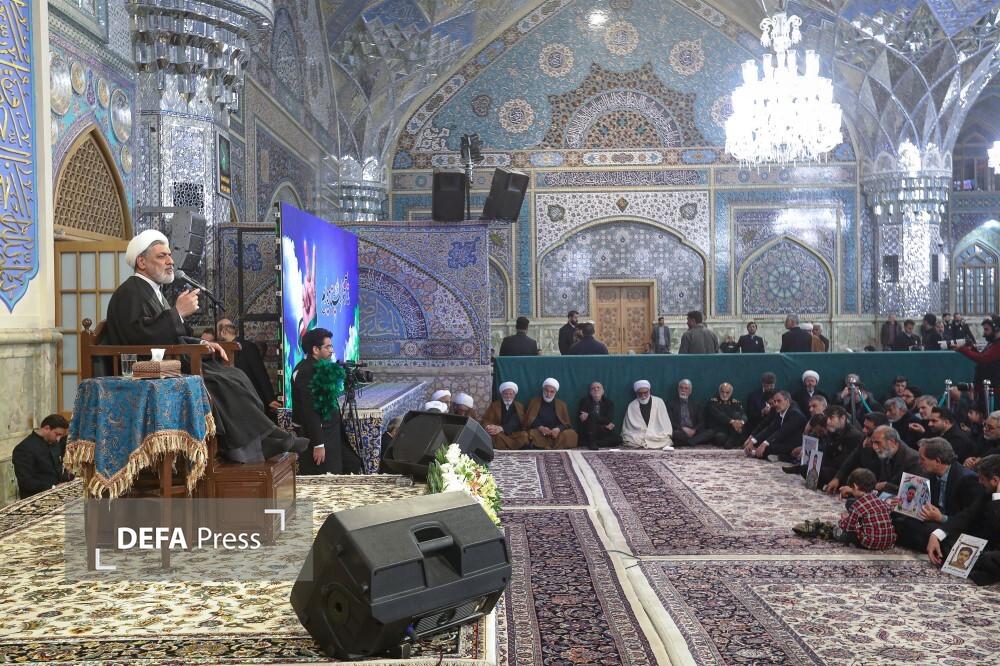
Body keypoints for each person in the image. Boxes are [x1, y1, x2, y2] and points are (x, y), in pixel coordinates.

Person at [103, 230, 306, 463]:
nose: (170, 261)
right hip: (147, 370)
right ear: (141, 262)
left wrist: (203, 343)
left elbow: (170, 336)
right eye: (162, 256)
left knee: (234, 374)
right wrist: (177, 313)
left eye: (170, 255)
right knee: (220, 381)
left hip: (168, 363)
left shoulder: (152, 291)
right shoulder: (131, 292)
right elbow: (139, 337)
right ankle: (248, 444)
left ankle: (262, 437)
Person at [892, 438, 986, 552]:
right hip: (934, 521)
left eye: (922, 459)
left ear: (937, 461)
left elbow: (970, 517)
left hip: (954, 526)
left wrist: (941, 518)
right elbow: (923, 504)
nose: (919, 462)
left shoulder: (967, 479)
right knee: (901, 521)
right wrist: (904, 503)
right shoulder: (931, 474)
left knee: (926, 530)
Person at [291, 327, 363, 475]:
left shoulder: (319, 367)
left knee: (352, 463)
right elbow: (310, 410)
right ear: (315, 349)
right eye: (328, 347)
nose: (332, 350)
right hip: (320, 435)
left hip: (332, 432)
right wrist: (318, 444)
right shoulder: (307, 371)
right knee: (327, 475)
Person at [926, 455, 1000, 586]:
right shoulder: (987, 492)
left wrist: (997, 499)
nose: (979, 482)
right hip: (986, 543)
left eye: (982, 479)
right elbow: (967, 515)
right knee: (947, 541)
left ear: (995, 480)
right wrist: (937, 534)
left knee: (989, 559)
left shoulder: (993, 494)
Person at [795, 468, 896, 550]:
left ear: (855, 487)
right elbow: (887, 510)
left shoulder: (857, 506)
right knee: (862, 526)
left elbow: (848, 527)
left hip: (871, 543)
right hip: (889, 542)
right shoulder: (881, 501)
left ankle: (827, 530)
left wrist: (842, 521)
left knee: (846, 534)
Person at [217, 319, 278, 411]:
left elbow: (260, 374)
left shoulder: (248, 347)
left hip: (252, 400)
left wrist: (270, 399)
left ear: (223, 332)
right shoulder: (222, 351)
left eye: (218, 332)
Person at [12, 415, 71, 499]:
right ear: (47, 428)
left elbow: (57, 470)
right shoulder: (24, 448)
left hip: (57, 495)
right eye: (57, 434)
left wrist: (68, 476)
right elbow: (26, 481)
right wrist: (53, 487)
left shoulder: (54, 443)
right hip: (36, 499)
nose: (58, 439)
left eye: (60, 436)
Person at [743, 390, 806, 461]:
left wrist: (764, 444)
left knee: (767, 447)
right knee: (760, 444)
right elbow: (770, 428)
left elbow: (782, 432)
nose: (776, 404)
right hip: (783, 440)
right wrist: (753, 441)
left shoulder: (795, 414)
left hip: (795, 445)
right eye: (775, 401)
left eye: (779, 401)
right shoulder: (780, 410)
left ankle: (783, 457)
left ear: (787, 401)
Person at [524, 378, 577, 449]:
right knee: (529, 434)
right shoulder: (534, 402)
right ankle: (552, 446)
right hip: (539, 432)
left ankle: (546, 446)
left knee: (571, 434)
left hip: (556, 434)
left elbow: (566, 423)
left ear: (555, 392)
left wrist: (558, 429)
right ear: (543, 390)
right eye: (546, 390)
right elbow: (530, 420)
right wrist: (541, 427)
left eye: (552, 392)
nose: (548, 394)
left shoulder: (561, 404)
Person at [622, 380, 674, 450]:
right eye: (640, 393)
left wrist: (652, 432)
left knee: (664, 438)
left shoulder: (659, 401)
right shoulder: (632, 405)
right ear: (636, 393)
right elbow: (628, 428)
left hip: (656, 433)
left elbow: (665, 422)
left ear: (649, 391)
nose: (643, 395)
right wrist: (644, 433)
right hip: (639, 434)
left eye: (645, 392)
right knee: (630, 438)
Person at [481, 381, 529, 450]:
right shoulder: (494, 405)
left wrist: (501, 428)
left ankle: (506, 447)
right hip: (499, 434)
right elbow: (486, 420)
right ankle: (511, 447)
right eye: (506, 394)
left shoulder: (519, 406)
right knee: (495, 436)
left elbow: (517, 422)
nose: (508, 396)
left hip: (514, 434)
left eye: (511, 394)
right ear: (502, 394)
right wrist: (489, 427)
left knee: (524, 436)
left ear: (514, 395)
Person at [576, 381, 621, 450]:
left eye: (598, 388)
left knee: (618, 439)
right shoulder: (584, 401)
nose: (596, 389)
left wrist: (590, 416)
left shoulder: (609, 403)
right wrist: (593, 417)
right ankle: (592, 442)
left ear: (603, 391)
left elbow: (608, 419)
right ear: (590, 392)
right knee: (592, 415)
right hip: (589, 431)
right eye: (593, 388)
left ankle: (593, 443)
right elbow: (582, 419)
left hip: (603, 430)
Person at [667, 379, 711, 446]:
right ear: (678, 389)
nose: (683, 390)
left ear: (690, 391)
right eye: (681, 388)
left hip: (694, 431)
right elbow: (670, 421)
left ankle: (689, 442)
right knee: (675, 434)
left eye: (686, 388)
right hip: (680, 430)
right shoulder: (671, 404)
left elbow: (701, 422)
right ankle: (693, 441)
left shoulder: (696, 404)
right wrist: (682, 428)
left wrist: (694, 430)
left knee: (710, 432)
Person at [704, 383, 745, 449]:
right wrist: (733, 422)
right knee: (720, 438)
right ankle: (733, 440)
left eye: (727, 392)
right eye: (722, 392)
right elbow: (719, 415)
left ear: (731, 393)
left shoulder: (735, 402)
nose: (724, 394)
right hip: (720, 429)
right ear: (719, 391)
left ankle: (732, 439)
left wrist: (741, 422)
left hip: (733, 429)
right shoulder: (713, 402)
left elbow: (743, 415)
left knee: (737, 415)